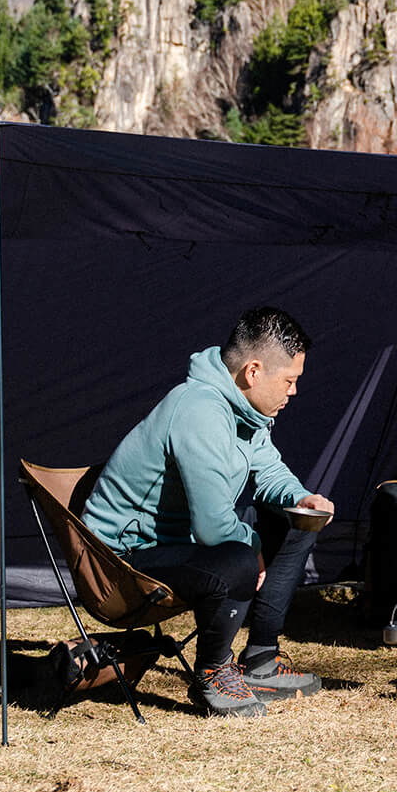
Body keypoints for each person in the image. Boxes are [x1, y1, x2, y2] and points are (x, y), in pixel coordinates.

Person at [82, 306, 334, 718]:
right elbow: (214, 527)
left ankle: (260, 660)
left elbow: (268, 468)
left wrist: (300, 498)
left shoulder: (246, 412)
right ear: (253, 372)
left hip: (171, 547)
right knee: (235, 555)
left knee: (294, 520)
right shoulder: (200, 410)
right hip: (121, 563)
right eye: (289, 381)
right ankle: (213, 672)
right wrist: (251, 548)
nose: (293, 392)